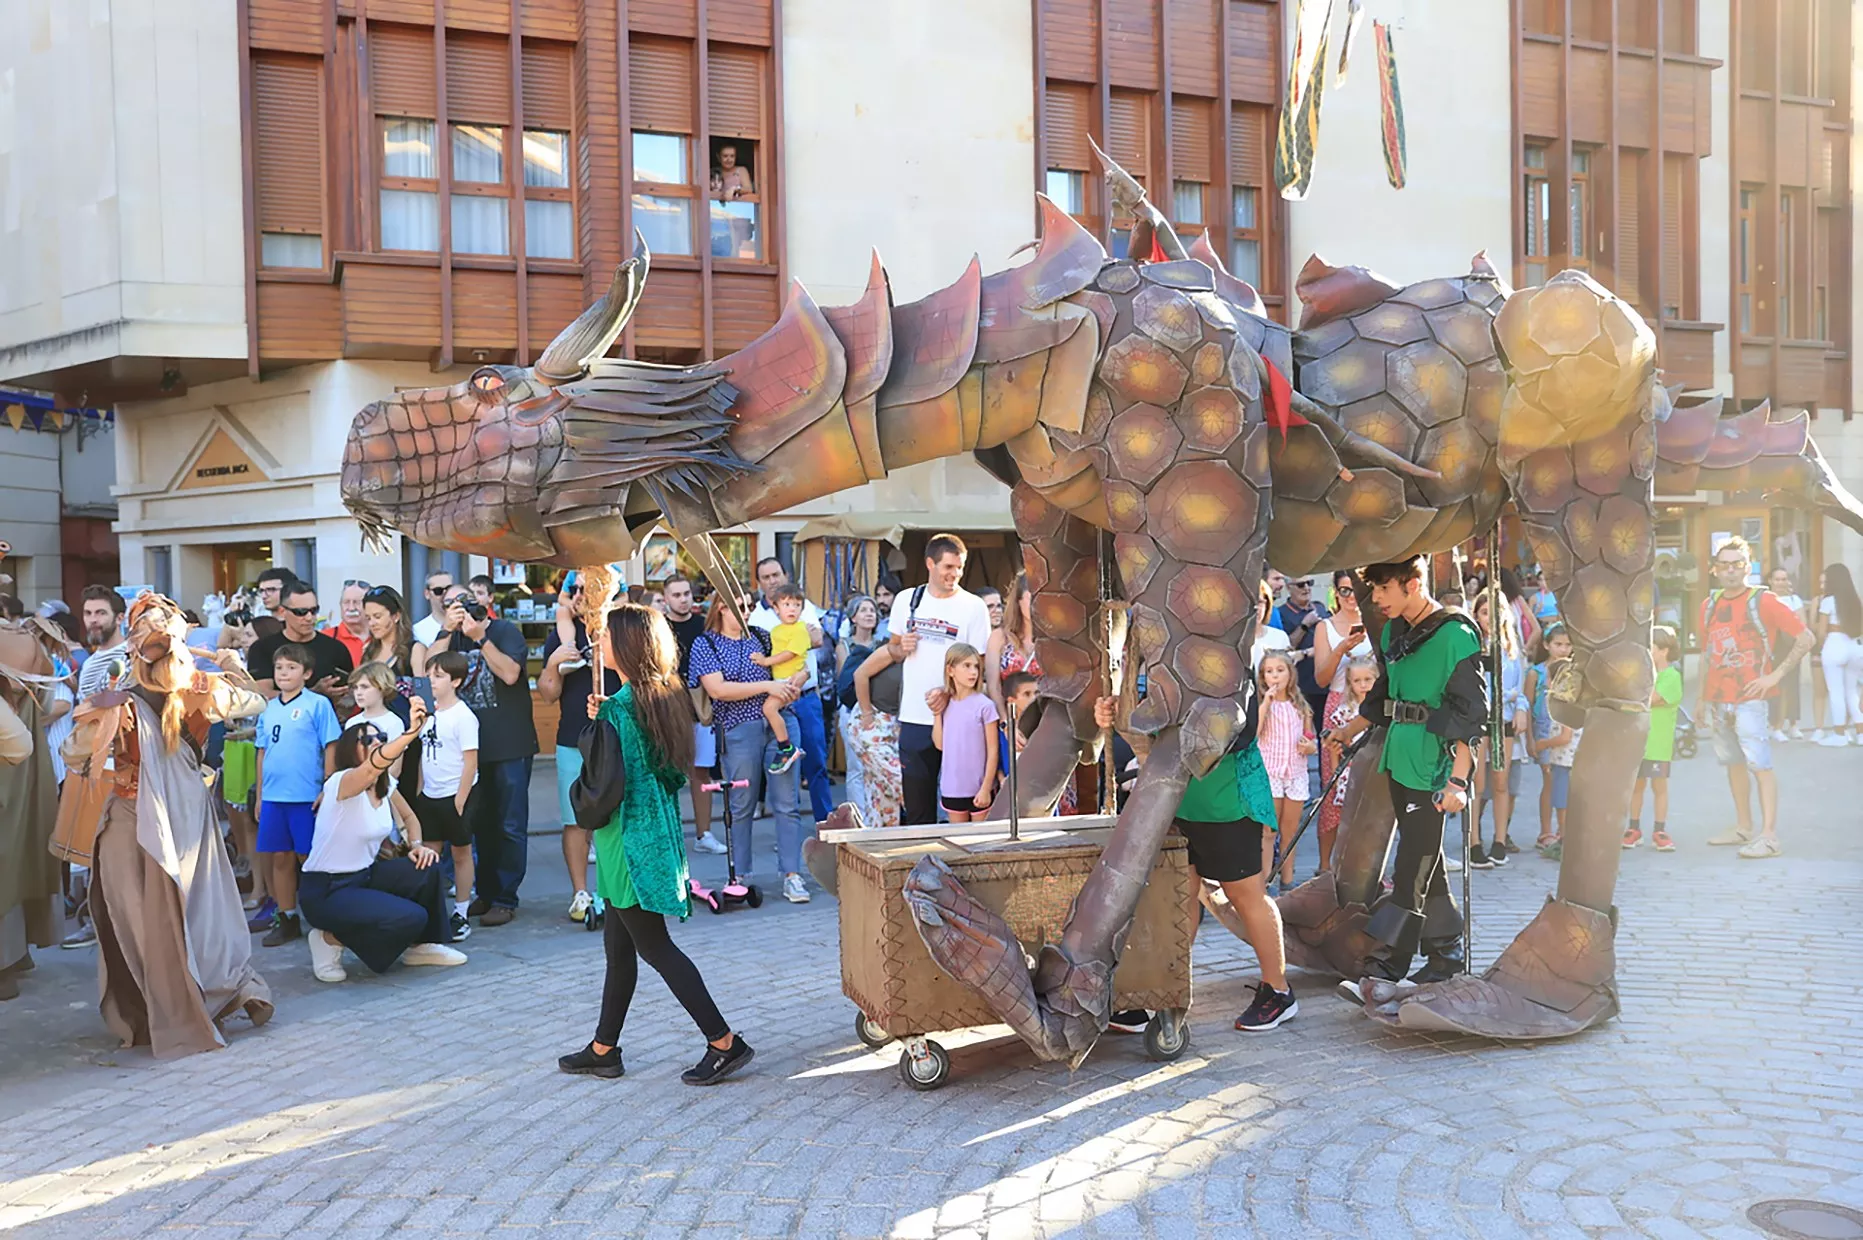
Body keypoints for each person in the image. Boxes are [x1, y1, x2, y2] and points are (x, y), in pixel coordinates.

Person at [558, 602, 755, 1085]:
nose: (599, 644)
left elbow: (601, 785)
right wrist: (602, 722)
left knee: (655, 948)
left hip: (627, 841)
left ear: (627, 646)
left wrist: (595, 731)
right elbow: (666, 773)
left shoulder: (620, 709)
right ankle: (604, 1048)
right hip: (653, 832)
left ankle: (724, 1042)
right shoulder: (662, 697)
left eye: (607, 638)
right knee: (619, 947)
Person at [67, 593, 272, 1056]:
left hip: (135, 819)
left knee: (146, 922)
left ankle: (164, 1009)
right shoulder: (201, 686)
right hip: (181, 817)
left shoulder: (121, 697)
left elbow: (74, 754)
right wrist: (231, 665)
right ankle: (197, 1000)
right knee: (197, 915)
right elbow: (255, 703)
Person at [1091, 686, 1297, 1031]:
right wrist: (1116, 714)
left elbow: (1231, 727)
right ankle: (1159, 994)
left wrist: (1142, 718)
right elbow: (1145, 721)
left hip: (1229, 797)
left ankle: (1278, 991)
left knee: (1245, 894)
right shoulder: (1154, 661)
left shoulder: (1231, 662)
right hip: (1175, 798)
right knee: (1177, 896)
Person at [1323, 556, 1485, 986]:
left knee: (1411, 862)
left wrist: (1458, 780)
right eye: (1373, 589)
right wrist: (1349, 729)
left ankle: (1386, 966)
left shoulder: (1456, 634)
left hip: (1435, 764)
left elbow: (1471, 713)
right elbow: (1385, 693)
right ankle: (1446, 954)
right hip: (1399, 757)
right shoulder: (1395, 630)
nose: (1375, 599)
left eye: (1384, 589)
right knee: (1427, 858)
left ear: (1413, 584)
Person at [300, 708, 470, 982]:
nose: (376, 742)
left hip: (364, 876)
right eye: (367, 739)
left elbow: (409, 817)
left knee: (427, 866)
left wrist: (416, 845)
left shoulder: (385, 783)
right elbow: (370, 769)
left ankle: (421, 946)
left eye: (380, 737)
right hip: (326, 889)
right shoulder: (340, 783)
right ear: (349, 749)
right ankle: (329, 939)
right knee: (412, 917)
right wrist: (410, 733)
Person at [425, 586, 538, 923]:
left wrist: (481, 638)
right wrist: (447, 630)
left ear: (486, 603)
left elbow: (510, 673)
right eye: (452, 604)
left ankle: (505, 898)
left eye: (468, 602)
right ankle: (486, 894)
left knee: (509, 824)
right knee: (480, 825)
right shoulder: (450, 637)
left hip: (509, 745)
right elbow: (426, 670)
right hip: (469, 749)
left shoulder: (504, 631)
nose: (461, 609)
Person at [687, 596, 810, 902]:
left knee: (787, 802)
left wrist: (796, 681)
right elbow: (718, 690)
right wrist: (768, 686)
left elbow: (800, 663)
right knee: (741, 803)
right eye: (739, 607)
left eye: (749, 606)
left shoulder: (762, 636)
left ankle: (792, 875)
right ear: (721, 609)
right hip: (738, 728)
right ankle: (739, 875)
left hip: (780, 722)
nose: (747, 612)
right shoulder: (707, 643)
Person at [1699, 537, 1812, 859]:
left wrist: (1775, 676)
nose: (1730, 570)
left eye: (1737, 564)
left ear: (1748, 568)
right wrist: (1700, 700)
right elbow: (1708, 652)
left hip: (1751, 698)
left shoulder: (1764, 601)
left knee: (1760, 765)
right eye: (1724, 565)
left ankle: (1769, 836)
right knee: (1733, 763)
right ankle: (1743, 827)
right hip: (1719, 699)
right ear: (1714, 569)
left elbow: (1806, 637)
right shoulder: (1709, 605)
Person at [887, 535, 992, 825]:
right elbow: (892, 649)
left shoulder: (973, 606)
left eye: (960, 567)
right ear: (929, 564)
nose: (955, 574)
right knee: (918, 809)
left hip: (959, 718)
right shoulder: (907, 600)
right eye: (948, 567)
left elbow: (979, 665)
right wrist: (901, 648)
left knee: (963, 806)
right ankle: (921, 853)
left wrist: (950, 693)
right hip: (915, 716)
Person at [538, 581, 623, 923]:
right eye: (574, 590)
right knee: (574, 821)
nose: (578, 596)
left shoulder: (619, 630)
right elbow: (547, 695)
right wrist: (553, 664)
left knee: (614, 818)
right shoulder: (561, 634)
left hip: (616, 738)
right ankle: (581, 893)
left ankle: (613, 892)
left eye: (586, 589)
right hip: (572, 739)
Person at [253, 644, 344, 947]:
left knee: (309, 857)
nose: (284, 673)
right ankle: (287, 917)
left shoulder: (317, 704)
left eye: (291, 667)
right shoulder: (269, 708)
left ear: (306, 674)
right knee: (280, 856)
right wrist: (260, 795)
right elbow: (262, 751)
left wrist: (327, 785)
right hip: (274, 796)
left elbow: (330, 744)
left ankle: (323, 916)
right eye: (279, 668)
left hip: (305, 794)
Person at [748, 560, 834, 823]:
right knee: (783, 769)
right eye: (766, 577)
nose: (772, 580)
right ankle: (789, 829)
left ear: (785, 575)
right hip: (776, 698)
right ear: (759, 583)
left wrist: (799, 660)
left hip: (806, 696)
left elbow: (818, 638)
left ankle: (825, 824)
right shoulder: (755, 616)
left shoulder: (802, 605)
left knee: (816, 763)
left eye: (776, 574)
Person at [0, 625, 56, 1000]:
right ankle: (16, 953)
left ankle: (7, 962)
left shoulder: (12, 640)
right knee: (16, 859)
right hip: (22, 772)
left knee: (8, 862)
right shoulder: (20, 639)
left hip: (12, 771)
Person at [411, 651, 481, 941]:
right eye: (429, 675)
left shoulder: (463, 716)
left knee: (461, 852)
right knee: (429, 853)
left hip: (455, 793)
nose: (432, 681)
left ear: (456, 681)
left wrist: (460, 799)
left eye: (438, 676)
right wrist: (420, 789)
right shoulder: (428, 713)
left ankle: (461, 912)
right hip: (430, 793)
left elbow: (471, 761)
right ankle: (432, 911)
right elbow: (422, 754)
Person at [1311, 571, 1372, 870]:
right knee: (1332, 786)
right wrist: (1342, 649)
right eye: (1345, 591)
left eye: (1355, 590)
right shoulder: (1326, 627)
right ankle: (1325, 866)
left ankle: (1363, 868)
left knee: (1369, 787)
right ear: (1336, 593)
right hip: (1337, 706)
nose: (1351, 598)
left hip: (1369, 707)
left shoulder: (1378, 623)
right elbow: (1321, 679)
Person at [660, 576, 725, 854]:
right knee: (668, 773)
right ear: (666, 598)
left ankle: (704, 834)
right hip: (668, 707)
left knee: (702, 772)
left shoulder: (704, 626)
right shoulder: (658, 627)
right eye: (676, 595)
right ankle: (668, 835)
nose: (683, 599)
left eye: (686, 593)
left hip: (701, 707)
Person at [1466, 590, 1528, 868]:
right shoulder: (1472, 646)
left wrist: (1521, 707)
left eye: (1496, 611)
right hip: (1480, 719)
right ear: (1476, 615)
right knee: (1477, 784)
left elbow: (1519, 688)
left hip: (1504, 721)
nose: (1490, 618)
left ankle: (1500, 841)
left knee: (1501, 783)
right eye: (1484, 612)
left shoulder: (1512, 647)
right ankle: (1473, 842)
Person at [1255, 651, 1316, 887]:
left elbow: (1310, 738)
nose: (1275, 676)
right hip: (1271, 773)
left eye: (1280, 670)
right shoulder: (1262, 705)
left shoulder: (1300, 706)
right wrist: (1266, 703)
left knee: (1290, 832)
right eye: (1269, 672)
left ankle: (1287, 880)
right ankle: (1266, 881)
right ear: (1263, 677)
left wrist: (1309, 746)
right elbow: (1255, 734)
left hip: (1296, 774)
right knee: (1268, 832)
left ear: (1290, 674)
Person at [1625, 626, 1683, 853]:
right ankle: (1633, 828)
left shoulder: (1671, 676)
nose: (1646, 652)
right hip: (1637, 741)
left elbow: (1651, 699)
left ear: (1664, 651)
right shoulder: (1642, 674)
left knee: (1659, 786)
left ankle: (1660, 830)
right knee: (1636, 786)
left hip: (1658, 743)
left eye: (1651, 648)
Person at [248, 583, 354, 701]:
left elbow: (352, 694)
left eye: (314, 610)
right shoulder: (262, 648)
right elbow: (263, 695)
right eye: (300, 612)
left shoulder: (336, 649)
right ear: (282, 612)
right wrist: (313, 694)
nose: (309, 617)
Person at [747, 582, 811, 775]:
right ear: (776, 608)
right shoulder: (776, 630)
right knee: (772, 710)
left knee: (769, 708)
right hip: (779, 679)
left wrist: (765, 661)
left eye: (797, 605)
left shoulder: (800, 629)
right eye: (786, 604)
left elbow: (790, 653)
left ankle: (786, 747)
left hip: (788, 680)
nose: (792, 609)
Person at [1526, 624, 1579, 858]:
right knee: (1549, 778)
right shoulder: (1536, 673)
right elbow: (1527, 706)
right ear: (1547, 645)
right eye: (1558, 644)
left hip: (1563, 734)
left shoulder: (1573, 671)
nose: (1563, 649)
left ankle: (1562, 831)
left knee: (1559, 780)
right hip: (1543, 729)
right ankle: (1546, 831)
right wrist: (1530, 738)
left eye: (1568, 645)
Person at [931, 644, 999, 823]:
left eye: (976, 666)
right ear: (950, 670)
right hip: (952, 789)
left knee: (981, 838)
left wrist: (986, 788)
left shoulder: (985, 706)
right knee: (958, 837)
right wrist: (937, 713)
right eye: (967, 666)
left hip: (979, 789)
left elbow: (993, 751)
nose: (973, 672)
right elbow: (940, 745)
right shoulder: (946, 704)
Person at [833, 596, 882, 820]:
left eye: (872, 610)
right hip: (852, 708)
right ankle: (859, 816)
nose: (869, 614)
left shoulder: (882, 644)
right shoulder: (844, 646)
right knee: (856, 766)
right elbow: (845, 679)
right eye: (863, 610)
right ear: (853, 617)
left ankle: (877, 814)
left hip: (878, 707)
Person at [850, 641, 905, 828]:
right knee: (902, 782)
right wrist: (867, 714)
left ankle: (880, 839)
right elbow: (860, 674)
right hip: (872, 723)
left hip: (894, 727)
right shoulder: (893, 650)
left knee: (880, 795)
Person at [1272, 574, 1332, 726]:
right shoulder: (1282, 613)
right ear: (1288, 588)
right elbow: (1287, 646)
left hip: (1326, 682)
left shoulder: (1320, 607)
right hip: (1301, 686)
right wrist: (1305, 625)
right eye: (1300, 585)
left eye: (1309, 583)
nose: (1306, 588)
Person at [1813, 563, 1862, 747]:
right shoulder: (1856, 600)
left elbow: (1821, 632)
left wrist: (1820, 647)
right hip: (1854, 646)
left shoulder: (1828, 601)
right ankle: (1861, 733)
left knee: (1836, 691)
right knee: (1852, 691)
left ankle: (1839, 734)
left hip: (1834, 644)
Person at [359, 585, 417, 720]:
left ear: (396, 616)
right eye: (368, 618)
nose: (372, 623)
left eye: (377, 616)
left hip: (406, 727)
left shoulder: (415, 649)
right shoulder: (368, 652)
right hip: (372, 727)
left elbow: (424, 697)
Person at [1767, 568, 1809, 742]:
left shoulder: (1794, 600)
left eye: (1784, 579)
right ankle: (1775, 725)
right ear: (1770, 581)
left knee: (1792, 686)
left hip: (1791, 645)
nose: (1781, 583)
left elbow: (1802, 623)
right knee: (1777, 687)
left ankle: (1793, 724)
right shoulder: (1767, 599)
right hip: (1774, 646)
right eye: (1777, 579)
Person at [323, 580, 371, 667]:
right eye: (346, 602)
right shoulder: (326, 638)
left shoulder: (382, 636)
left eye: (357, 602)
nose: (351, 608)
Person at [410, 568, 455, 647]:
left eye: (449, 589)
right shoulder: (417, 631)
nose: (445, 594)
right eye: (438, 591)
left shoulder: (468, 623)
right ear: (427, 594)